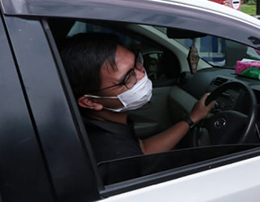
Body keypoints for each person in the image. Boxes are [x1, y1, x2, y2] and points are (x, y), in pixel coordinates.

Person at [60, 33, 215, 163]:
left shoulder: (104, 125)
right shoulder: (114, 157)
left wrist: (193, 118)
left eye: (137, 64)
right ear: (90, 102)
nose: (141, 75)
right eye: (128, 77)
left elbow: (143, 149)